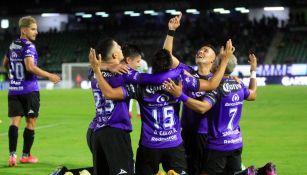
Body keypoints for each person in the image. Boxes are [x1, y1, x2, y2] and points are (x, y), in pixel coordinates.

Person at [88, 36, 234, 174]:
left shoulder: (138, 84)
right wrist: (225, 61)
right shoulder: (180, 80)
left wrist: (98, 68)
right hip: (173, 144)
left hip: (145, 145)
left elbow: (110, 93)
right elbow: (211, 84)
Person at [164, 53, 276, 175]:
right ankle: (263, 171)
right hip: (236, 141)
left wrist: (180, 95)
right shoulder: (238, 84)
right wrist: (253, 70)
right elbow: (253, 94)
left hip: (218, 144)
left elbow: (203, 108)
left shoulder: (216, 88)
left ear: (218, 66)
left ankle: (248, 174)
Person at [86, 39, 183, 175]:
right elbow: (152, 79)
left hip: (96, 131)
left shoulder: (94, 72)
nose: (122, 49)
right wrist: (179, 72)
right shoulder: (123, 73)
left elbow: (92, 68)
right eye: (119, 48)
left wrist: (103, 67)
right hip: (115, 131)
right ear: (114, 55)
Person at [2, 16, 61, 167]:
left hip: (14, 90)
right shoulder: (29, 46)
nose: (36, 32)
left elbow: (5, 64)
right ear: (24, 30)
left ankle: (12, 156)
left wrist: (12, 74)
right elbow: (30, 67)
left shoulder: (12, 45)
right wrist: (49, 75)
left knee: (14, 122)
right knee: (31, 122)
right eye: (33, 29)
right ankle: (25, 156)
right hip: (29, 90)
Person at [163, 13, 218, 175]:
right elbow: (167, 56)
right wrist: (171, 31)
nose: (201, 52)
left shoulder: (214, 81)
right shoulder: (187, 72)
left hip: (204, 135)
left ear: (212, 60)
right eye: (200, 50)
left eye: (206, 51)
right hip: (184, 132)